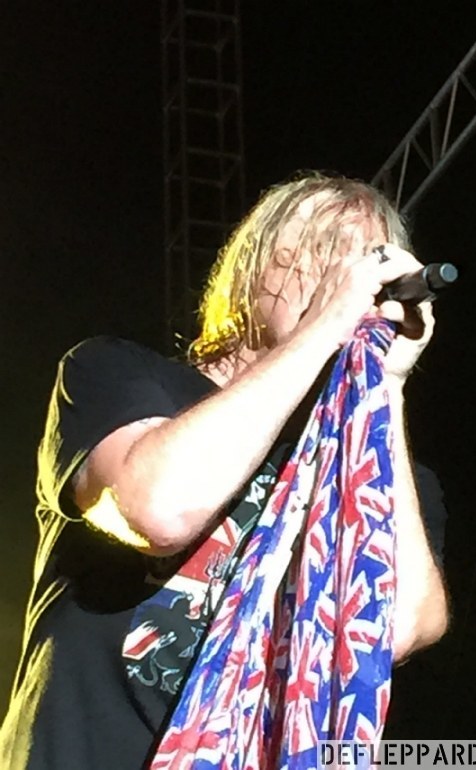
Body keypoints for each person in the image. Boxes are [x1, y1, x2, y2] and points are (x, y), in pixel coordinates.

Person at [0, 172, 449, 769]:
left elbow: (392, 631)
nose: (344, 273)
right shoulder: (118, 374)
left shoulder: (379, 472)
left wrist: (387, 387)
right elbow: (157, 509)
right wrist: (323, 326)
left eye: (365, 259)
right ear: (254, 265)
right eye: (320, 245)